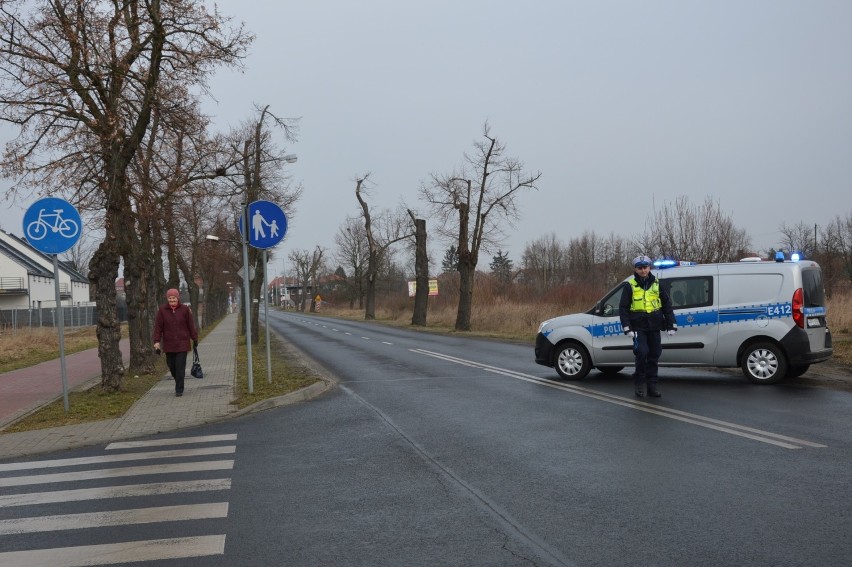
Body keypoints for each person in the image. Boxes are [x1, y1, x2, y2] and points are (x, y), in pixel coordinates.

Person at [619, 255, 677, 398]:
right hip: (638, 327)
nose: (643, 270)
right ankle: (639, 383)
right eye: (640, 268)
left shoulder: (657, 284)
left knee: (655, 354)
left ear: (649, 268)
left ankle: (652, 385)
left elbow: (667, 305)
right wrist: (627, 327)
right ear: (636, 269)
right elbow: (623, 308)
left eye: (645, 267)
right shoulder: (630, 286)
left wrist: (671, 324)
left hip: (655, 325)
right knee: (642, 353)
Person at [152, 288, 198, 397]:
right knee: (172, 366)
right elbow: (158, 328)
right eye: (170, 298)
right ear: (167, 299)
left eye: (174, 298)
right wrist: (157, 341)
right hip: (169, 344)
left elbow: (190, 325)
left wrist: (194, 339)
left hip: (182, 343)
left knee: (180, 366)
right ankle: (178, 380)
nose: (172, 300)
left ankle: (179, 389)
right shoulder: (162, 311)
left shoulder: (185, 310)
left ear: (178, 298)